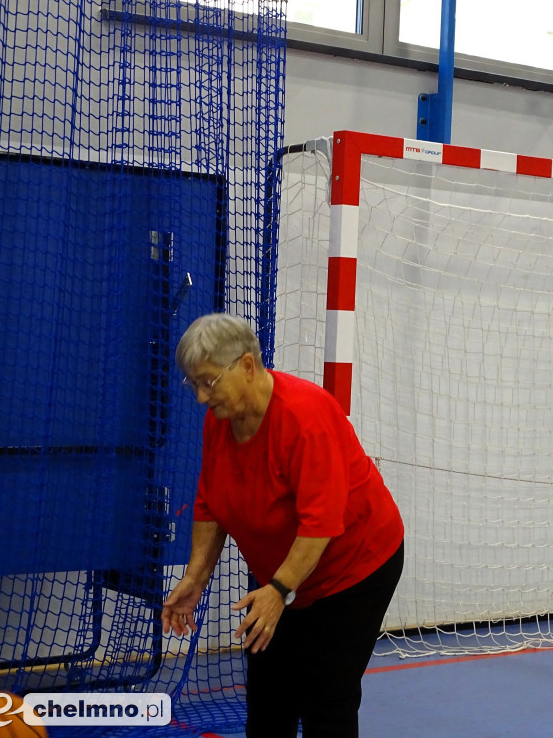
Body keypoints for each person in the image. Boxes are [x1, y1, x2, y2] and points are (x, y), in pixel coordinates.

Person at [161, 313, 404, 738]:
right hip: (282, 576)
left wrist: (278, 591)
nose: (201, 397)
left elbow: (320, 524)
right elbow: (210, 502)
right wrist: (196, 577)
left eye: (208, 382)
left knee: (325, 694)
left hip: (353, 567)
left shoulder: (305, 416)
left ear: (247, 366)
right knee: (269, 691)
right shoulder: (220, 419)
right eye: (193, 384)